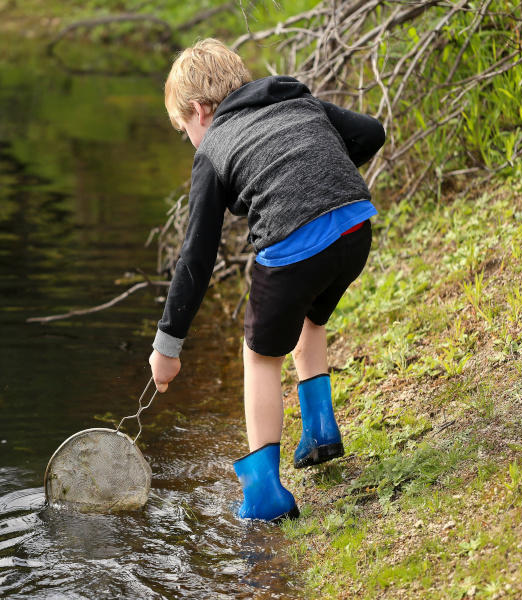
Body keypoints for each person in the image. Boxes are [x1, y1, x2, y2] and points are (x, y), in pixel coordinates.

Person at [148, 38, 384, 522]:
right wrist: (317, 173)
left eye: (184, 129)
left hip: (298, 246)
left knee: (259, 356)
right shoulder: (294, 99)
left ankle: (263, 496)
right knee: (309, 318)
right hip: (356, 228)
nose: (190, 138)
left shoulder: (213, 146)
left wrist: (167, 348)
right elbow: (372, 133)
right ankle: (319, 429)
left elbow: (196, 257)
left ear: (199, 111)